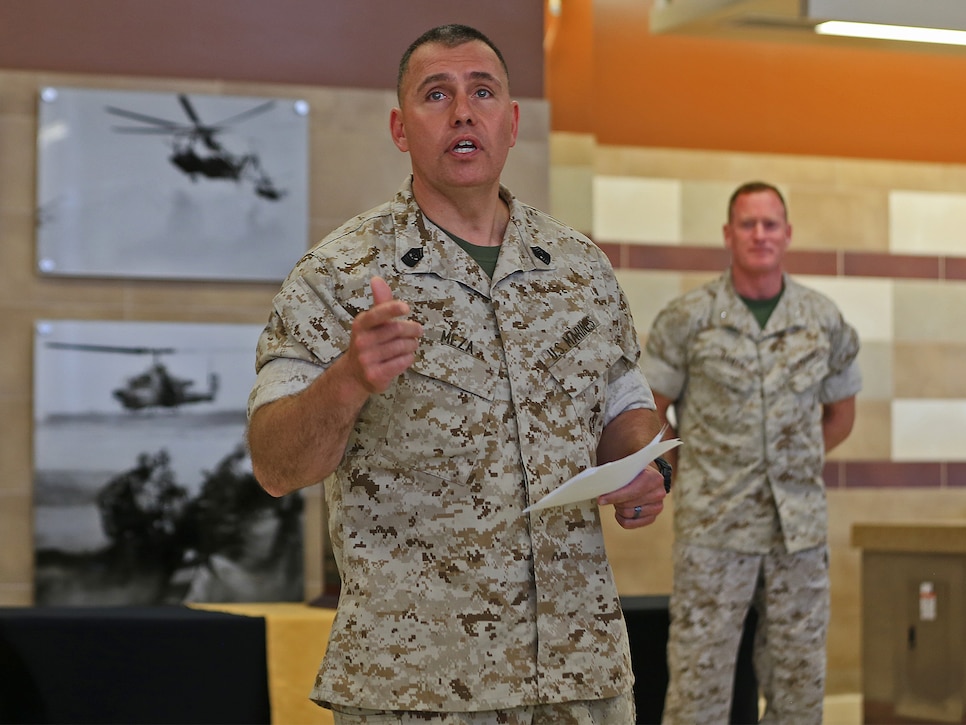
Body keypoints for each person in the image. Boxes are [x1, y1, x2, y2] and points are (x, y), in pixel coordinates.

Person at [246, 23, 668, 725]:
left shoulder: (580, 266)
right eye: (436, 94)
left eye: (482, 92)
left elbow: (627, 403)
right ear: (400, 127)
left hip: (581, 677)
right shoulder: (336, 275)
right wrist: (350, 376)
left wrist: (643, 465)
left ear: (512, 123)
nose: (463, 112)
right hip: (418, 688)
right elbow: (274, 464)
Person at [643, 181, 862, 724]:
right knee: (699, 687)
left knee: (799, 689)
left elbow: (840, 417)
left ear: (787, 234)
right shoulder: (688, 319)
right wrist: (693, 470)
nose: (760, 235)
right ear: (728, 234)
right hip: (715, 529)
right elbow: (650, 413)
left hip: (799, 534)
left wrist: (794, 459)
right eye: (748, 224)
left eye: (770, 224)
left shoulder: (823, 321)